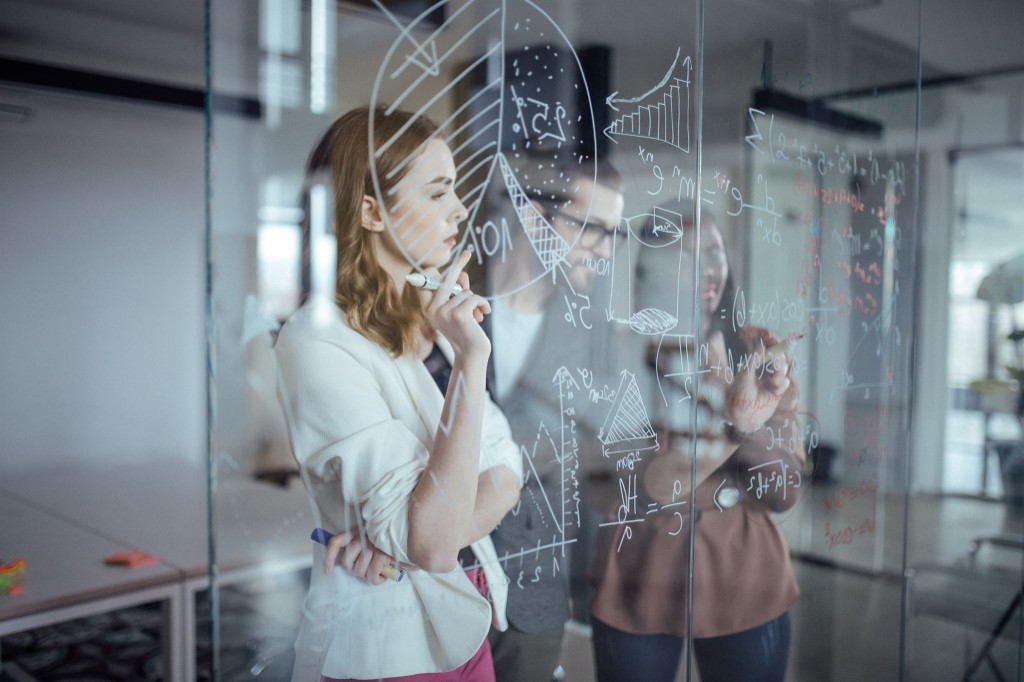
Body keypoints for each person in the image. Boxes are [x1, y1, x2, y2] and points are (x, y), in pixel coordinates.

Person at [274, 106, 524, 682]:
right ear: (371, 211)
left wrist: (413, 540)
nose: (460, 210)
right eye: (438, 192)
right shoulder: (317, 340)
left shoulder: (429, 316)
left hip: (467, 613)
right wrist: (471, 360)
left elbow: (507, 467)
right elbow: (433, 539)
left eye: (455, 189)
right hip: (387, 643)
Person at [588, 210, 805, 682]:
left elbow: (784, 491)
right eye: (682, 258)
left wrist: (744, 424)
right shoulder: (620, 353)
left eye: (712, 253)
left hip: (744, 574)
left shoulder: (760, 353)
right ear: (650, 269)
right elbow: (635, 479)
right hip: (638, 571)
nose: (705, 269)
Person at [482, 160, 628, 682]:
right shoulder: (451, 298)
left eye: (614, 234)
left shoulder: (593, 329)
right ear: (534, 217)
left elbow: (603, 443)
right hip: (436, 575)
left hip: (534, 581)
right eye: (593, 229)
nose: (606, 251)